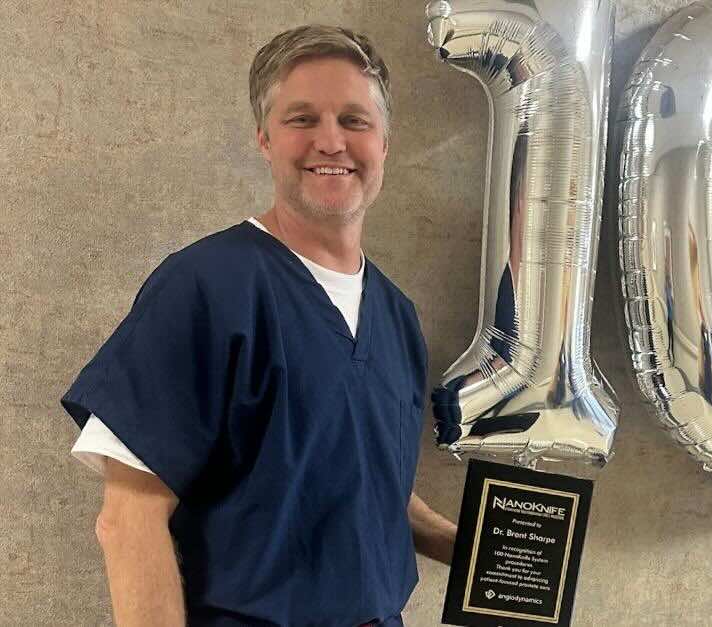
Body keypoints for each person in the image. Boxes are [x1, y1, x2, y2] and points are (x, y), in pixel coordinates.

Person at [60, 25, 456, 626]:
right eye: (302, 119)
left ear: (384, 142)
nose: (331, 141)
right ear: (264, 138)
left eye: (354, 120)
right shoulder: (205, 288)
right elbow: (127, 520)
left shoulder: (396, 317)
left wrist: (494, 550)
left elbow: (368, 478)